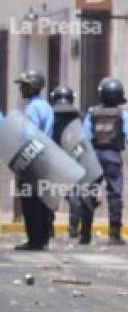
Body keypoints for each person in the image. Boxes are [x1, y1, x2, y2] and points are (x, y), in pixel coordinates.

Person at [80, 77, 128, 246]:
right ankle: (114, 235)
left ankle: (85, 235)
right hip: (113, 157)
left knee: (90, 193)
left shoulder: (91, 112)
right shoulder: (122, 114)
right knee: (115, 195)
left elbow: (85, 137)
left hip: (94, 157)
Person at [13, 70, 55, 252]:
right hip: (46, 157)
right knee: (42, 201)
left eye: (23, 86)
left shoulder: (31, 108)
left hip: (33, 158)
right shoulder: (46, 106)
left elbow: (29, 135)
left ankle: (34, 240)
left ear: (32, 87)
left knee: (30, 202)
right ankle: (43, 238)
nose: (21, 89)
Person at [50, 85, 84, 239]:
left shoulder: (50, 113)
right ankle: (73, 228)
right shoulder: (79, 115)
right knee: (74, 196)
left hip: (53, 158)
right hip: (73, 158)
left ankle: (48, 228)